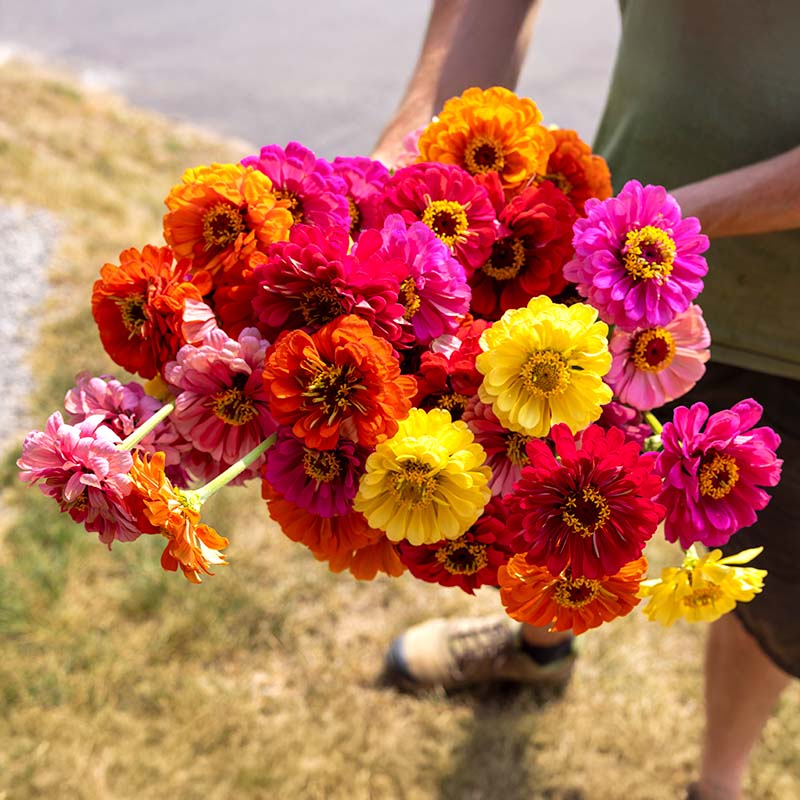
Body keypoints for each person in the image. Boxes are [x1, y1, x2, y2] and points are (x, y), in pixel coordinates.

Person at [372, 2, 800, 799]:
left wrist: (662, 225)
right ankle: (535, 649)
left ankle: (720, 780)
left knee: (773, 577)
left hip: (784, 319)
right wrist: (423, 146)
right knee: (548, 486)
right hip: (609, 249)